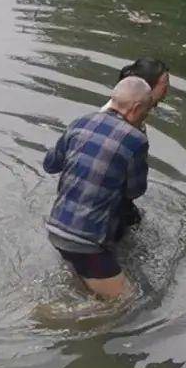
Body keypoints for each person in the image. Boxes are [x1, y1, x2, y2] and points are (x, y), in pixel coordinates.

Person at [43, 76, 154, 300]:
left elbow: (50, 165)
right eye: (147, 111)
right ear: (136, 108)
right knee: (128, 302)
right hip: (86, 240)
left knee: (85, 287)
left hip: (56, 227)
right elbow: (135, 191)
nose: (146, 116)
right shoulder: (135, 141)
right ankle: (49, 315)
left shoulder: (80, 122)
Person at [112, 58, 168, 236]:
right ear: (146, 87)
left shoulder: (120, 109)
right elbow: (135, 189)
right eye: (165, 84)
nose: (168, 91)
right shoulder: (132, 130)